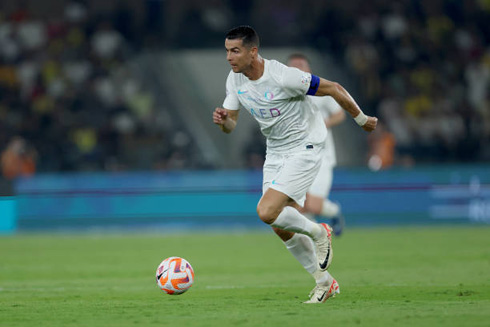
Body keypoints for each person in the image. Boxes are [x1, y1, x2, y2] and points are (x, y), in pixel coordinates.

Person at [212, 26, 377, 304]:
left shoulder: (284, 76)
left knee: (266, 211)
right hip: (275, 152)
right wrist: (223, 121)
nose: (229, 57)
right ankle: (325, 282)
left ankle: (318, 231)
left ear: (253, 51)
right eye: (227, 50)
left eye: (235, 50)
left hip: (306, 146)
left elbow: (333, 88)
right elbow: (231, 125)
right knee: (279, 225)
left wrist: (361, 119)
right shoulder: (235, 80)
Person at [287, 53, 346, 236]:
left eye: (301, 65)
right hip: (297, 157)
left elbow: (340, 114)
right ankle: (317, 239)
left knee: (312, 205)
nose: (297, 68)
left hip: (322, 156)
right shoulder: (283, 93)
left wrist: (323, 124)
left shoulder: (321, 89)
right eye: (293, 65)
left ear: (309, 69)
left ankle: (334, 212)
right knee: (298, 206)